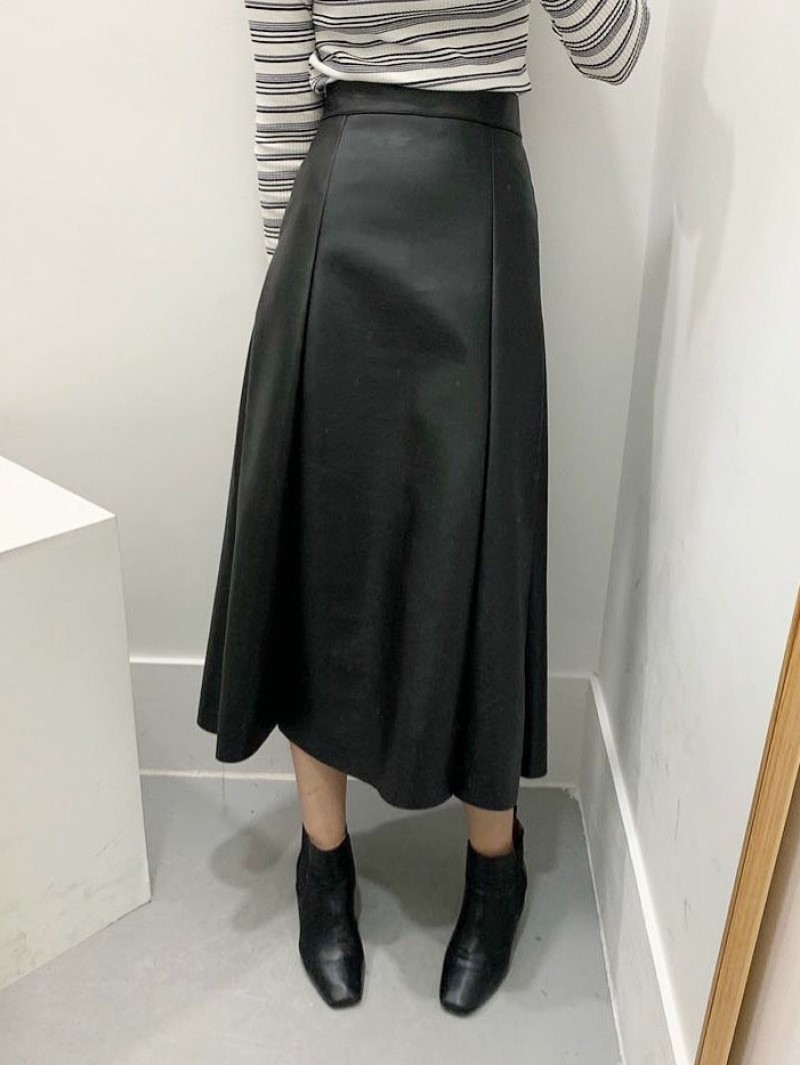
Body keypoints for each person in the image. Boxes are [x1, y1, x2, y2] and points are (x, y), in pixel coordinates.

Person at [197, 0, 650, 1015]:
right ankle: (322, 864)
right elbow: (281, 83)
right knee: (322, 540)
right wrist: (290, 276)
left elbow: (614, 49)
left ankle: (495, 861)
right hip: (338, 209)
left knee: (481, 533)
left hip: (474, 200)